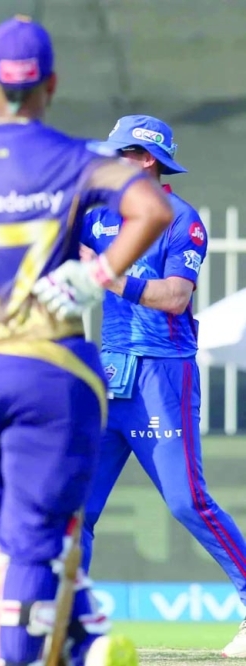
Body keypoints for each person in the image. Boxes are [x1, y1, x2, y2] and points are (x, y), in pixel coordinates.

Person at [0, 15, 174, 666]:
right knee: (32, 545)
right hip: (51, 375)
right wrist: (97, 275)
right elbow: (154, 209)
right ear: (51, 84)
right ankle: (50, 638)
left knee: (17, 539)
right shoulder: (72, 157)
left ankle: (80, 633)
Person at [80, 115, 246, 660]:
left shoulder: (182, 220)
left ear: (146, 159)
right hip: (110, 373)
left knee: (186, 501)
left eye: (119, 153)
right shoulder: (98, 215)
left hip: (164, 372)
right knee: (73, 509)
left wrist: (108, 277)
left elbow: (176, 296)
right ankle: (65, 622)